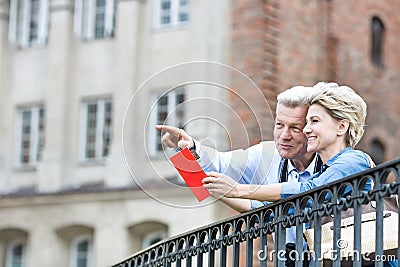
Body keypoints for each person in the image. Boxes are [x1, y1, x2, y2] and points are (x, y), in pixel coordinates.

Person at [157, 85, 321, 267]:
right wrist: (186, 148)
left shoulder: (334, 160)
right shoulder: (265, 155)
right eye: (279, 125)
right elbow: (218, 166)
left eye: (295, 128)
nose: (284, 136)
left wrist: (238, 190)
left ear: (311, 130)